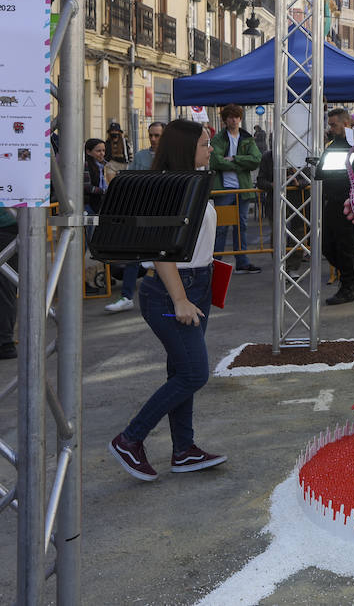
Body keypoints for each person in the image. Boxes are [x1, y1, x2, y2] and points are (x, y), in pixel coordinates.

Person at [108, 119, 226, 481]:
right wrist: (180, 298)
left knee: (182, 369)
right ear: (186, 149)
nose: (211, 150)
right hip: (173, 288)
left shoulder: (191, 183)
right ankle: (131, 439)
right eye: (205, 144)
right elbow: (161, 253)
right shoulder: (167, 188)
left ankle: (184, 450)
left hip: (198, 283)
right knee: (193, 372)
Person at [106, 122, 169, 314]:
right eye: (151, 135)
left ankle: (171, 295)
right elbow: (132, 178)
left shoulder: (171, 156)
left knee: (166, 255)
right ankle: (126, 296)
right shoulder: (141, 156)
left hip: (166, 212)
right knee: (135, 253)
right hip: (143, 209)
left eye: (157, 135)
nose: (153, 139)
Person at [210, 104, 262, 274]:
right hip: (224, 189)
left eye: (236, 116)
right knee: (221, 227)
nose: (233, 120)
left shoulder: (247, 138)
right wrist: (241, 164)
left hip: (242, 189)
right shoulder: (218, 139)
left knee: (242, 225)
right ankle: (216, 262)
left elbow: (256, 160)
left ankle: (242, 261)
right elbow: (215, 161)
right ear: (225, 119)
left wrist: (234, 159)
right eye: (230, 117)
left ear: (240, 118)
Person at [322, 108, 354, 305]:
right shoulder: (333, 146)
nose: (330, 129)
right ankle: (352, 277)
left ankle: (348, 285)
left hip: (347, 203)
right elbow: (324, 171)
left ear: (346, 124)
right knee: (327, 246)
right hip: (332, 200)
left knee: (345, 246)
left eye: (334, 125)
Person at [0, 206, 17, 358]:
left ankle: (5, 341)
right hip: (8, 226)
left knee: (3, 285)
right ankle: (5, 339)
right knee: (6, 285)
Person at [83, 138, 110, 215]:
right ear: (88, 152)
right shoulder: (86, 165)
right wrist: (104, 191)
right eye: (98, 151)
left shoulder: (100, 166)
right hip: (88, 204)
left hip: (97, 203)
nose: (102, 154)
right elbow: (87, 187)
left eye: (103, 150)